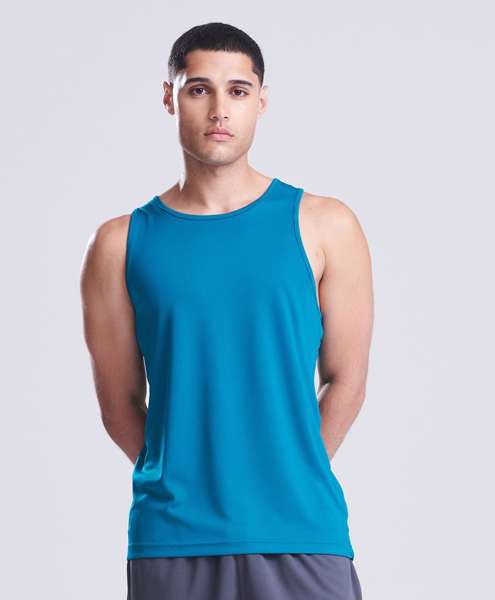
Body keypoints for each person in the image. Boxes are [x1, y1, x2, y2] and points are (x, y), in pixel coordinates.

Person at [80, 21, 373, 600]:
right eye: (199, 89)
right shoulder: (120, 244)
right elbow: (118, 404)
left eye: (238, 91)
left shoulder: (324, 226)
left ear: (261, 101)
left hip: (302, 531)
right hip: (173, 537)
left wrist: (290, 471)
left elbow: (348, 379)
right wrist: (185, 478)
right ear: (170, 98)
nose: (220, 109)